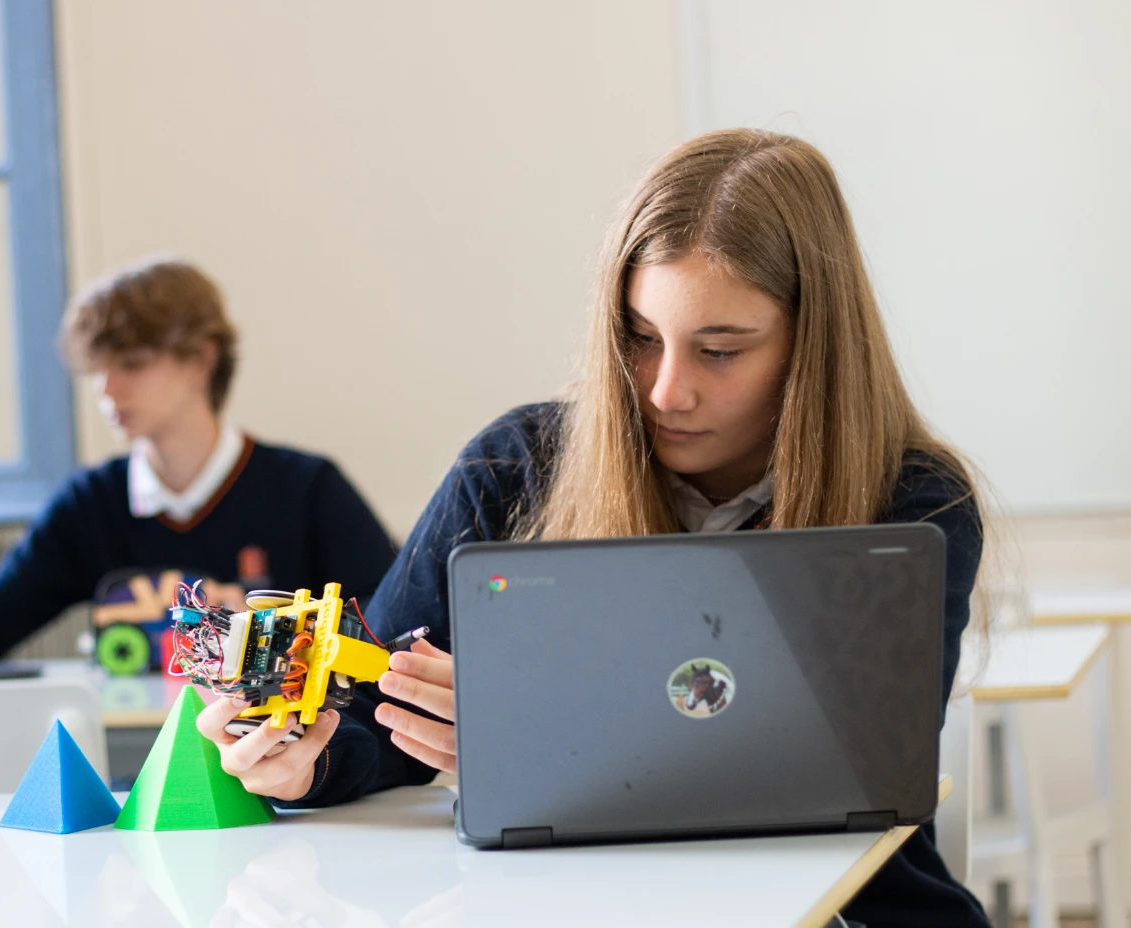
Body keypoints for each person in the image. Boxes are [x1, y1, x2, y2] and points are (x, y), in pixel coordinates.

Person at [197, 130, 993, 927]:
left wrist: (545, 751)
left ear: (811, 348)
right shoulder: (514, 469)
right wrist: (307, 763)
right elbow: (374, 715)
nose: (666, 391)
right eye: (640, 340)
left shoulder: (915, 503)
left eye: (719, 351)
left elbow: (856, 768)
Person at [0, 258, 398, 669]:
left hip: (276, 756)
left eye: (132, 364)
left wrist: (285, 633)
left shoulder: (306, 490)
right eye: (99, 368)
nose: (107, 390)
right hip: (131, 755)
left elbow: (388, 618)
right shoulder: (92, 502)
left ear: (201, 361)